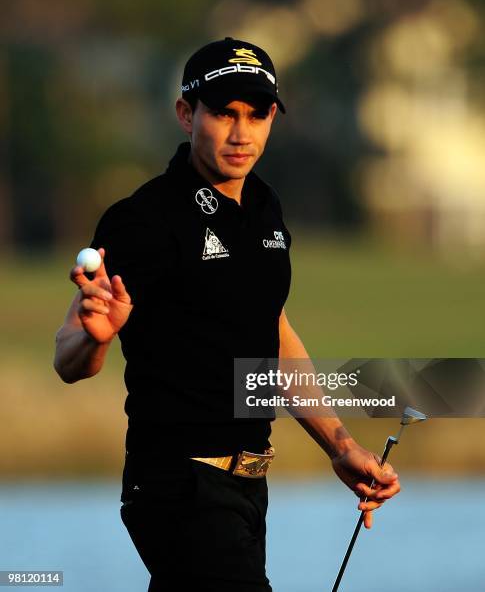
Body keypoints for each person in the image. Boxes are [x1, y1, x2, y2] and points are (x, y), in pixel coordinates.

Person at [54, 37, 400, 591]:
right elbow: (68, 358)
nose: (242, 133)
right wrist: (97, 338)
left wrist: (341, 446)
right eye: (223, 113)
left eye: (256, 114)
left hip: (248, 487)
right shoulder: (143, 219)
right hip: (177, 485)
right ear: (187, 115)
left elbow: (275, 333)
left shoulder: (265, 207)